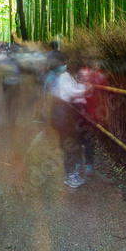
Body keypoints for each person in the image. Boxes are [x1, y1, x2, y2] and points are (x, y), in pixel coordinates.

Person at [44, 51, 90, 188]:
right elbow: (70, 92)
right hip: (65, 117)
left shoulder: (54, 75)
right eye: (63, 61)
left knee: (69, 146)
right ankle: (70, 177)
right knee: (69, 147)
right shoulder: (62, 76)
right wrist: (85, 89)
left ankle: (72, 174)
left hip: (61, 117)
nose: (66, 63)